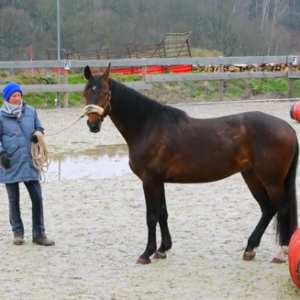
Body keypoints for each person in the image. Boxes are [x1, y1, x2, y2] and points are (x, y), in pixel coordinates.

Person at [0, 82, 55, 246]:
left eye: (19, 95)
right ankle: (18, 233)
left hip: (30, 162)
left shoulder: (31, 111)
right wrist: (1, 153)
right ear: (8, 98)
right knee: (13, 199)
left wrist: (37, 134)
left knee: (37, 198)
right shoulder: (1, 116)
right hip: (10, 162)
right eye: (14, 96)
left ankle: (39, 234)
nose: (17, 98)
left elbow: (40, 128)